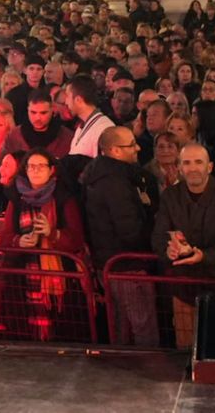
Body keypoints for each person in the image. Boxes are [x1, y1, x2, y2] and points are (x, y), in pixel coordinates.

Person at [152, 142, 215, 349]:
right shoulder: (170, 196)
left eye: (198, 162)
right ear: (179, 168)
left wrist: (204, 256)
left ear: (210, 167)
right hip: (183, 284)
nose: (193, 168)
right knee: (184, 349)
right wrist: (168, 250)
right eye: (186, 163)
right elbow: (158, 237)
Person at [80, 126, 160, 346]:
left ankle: (122, 370)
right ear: (115, 150)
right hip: (128, 264)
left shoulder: (97, 176)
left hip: (108, 263)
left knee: (119, 326)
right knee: (143, 326)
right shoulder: (115, 183)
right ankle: (148, 369)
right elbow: (129, 229)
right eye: (131, 144)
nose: (138, 148)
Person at [1, 150, 85, 340]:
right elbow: (4, 237)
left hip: (60, 277)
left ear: (52, 170)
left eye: (41, 166)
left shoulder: (64, 199)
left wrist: (53, 233)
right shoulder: (16, 199)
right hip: (24, 276)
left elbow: (77, 238)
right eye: (31, 166)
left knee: (62, 327)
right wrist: (19, 241)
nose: (36, 171)